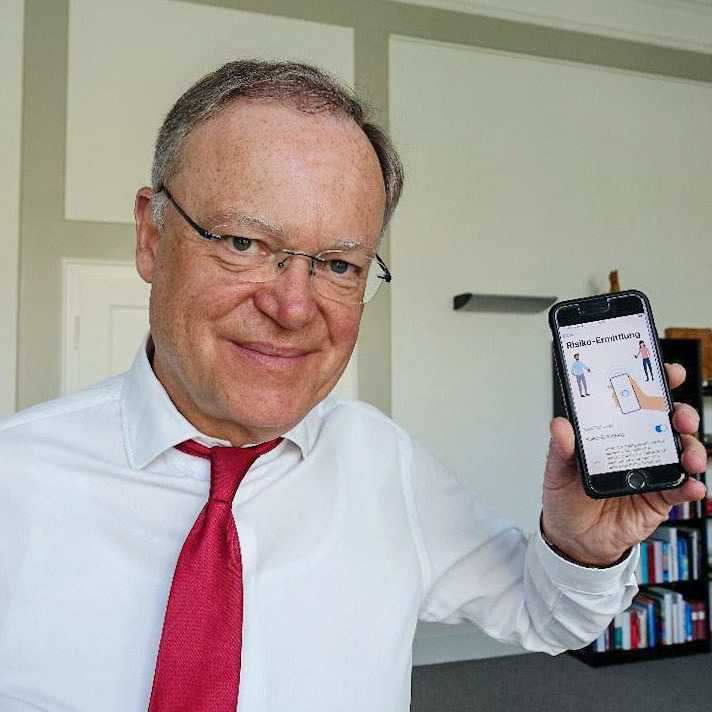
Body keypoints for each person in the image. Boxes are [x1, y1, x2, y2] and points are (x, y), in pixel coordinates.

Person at [0, 61, 706, 712]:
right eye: (244, 243)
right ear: (152, 238)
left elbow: (551, 615)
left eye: (339, 265)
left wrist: (583, 546)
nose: (293, 305)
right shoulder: (15, 481)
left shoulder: (383, 463)